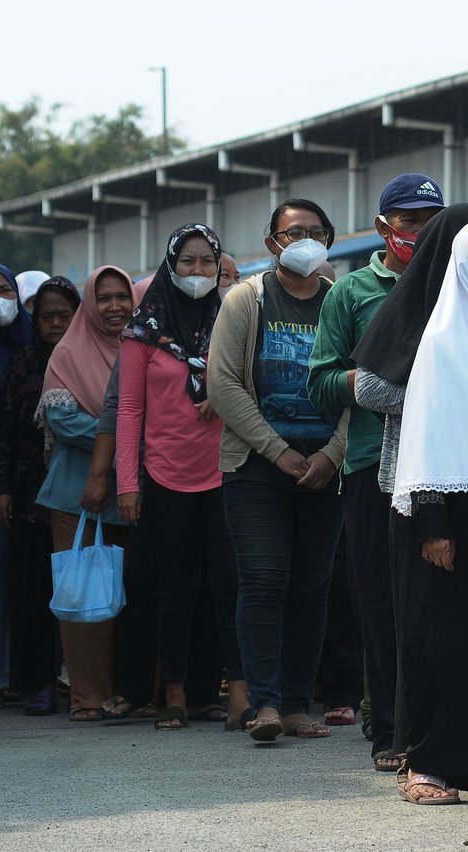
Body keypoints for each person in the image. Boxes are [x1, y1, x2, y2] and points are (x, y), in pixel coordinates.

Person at [307, 173, 444, 769]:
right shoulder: (354, 291)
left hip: (444, 466)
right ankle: (389, 728)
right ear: (385, 227)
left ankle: (436, 726)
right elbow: (319, 381)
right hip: (372, 468)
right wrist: (387, 388)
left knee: (436, 609)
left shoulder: (454, 285)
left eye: (433, 221)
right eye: (411, 221)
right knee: (382, 604)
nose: (423, 232)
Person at [208, 198, 347, 742]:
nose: (305, 240)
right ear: (272, 244)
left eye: (316, 231)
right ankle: (263, 703)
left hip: (325, 467)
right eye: (294, 233)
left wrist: (330, 456)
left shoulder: (341, 301)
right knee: (264, 579)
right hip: (257, 468)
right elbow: (224, 385)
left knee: (313, 587)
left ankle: (294, 704)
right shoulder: (246, 299)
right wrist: (279, 451)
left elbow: (359, 385)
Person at [352, 204, 468, 804]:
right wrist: (432, 518)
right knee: (429, 635)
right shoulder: (435, 328)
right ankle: (424, 759)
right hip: (428, 494)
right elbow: (371, 385)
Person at [116, 223, 250, 731]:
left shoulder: (234, 320)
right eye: (188, 261)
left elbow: (250, 384)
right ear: (171, 265)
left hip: (226, 471)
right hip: (164, 473)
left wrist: (225, 392)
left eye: (206, 262)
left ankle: (236, 691)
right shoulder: (142, 330)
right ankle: (173, 692)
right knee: (174, 587)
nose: (198, 272)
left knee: (228, 584)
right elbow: (129, 410)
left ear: (219, 267)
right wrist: (128, 482)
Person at [35, 265, 135, 721]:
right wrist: (124, 434)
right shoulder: (68, 353)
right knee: (82, 595)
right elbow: (62, 420)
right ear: (90, 306)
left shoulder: (142, 348)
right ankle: (86, 697)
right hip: (77, 493)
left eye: (122, 297)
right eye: (104, 298)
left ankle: (128, 692)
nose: (114, 307)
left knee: (129, 595)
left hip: (132, 490)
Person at [0, 277, 81, 714]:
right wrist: (2, 490)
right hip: (31, 499)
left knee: (85, 588)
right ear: (34, 319)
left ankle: (85, 680)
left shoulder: (90, 358)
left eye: (65, 315)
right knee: (37, 593)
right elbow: (2, 431)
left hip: (86, 496)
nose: (57, 323)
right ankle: (40, 682)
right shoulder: (23, 365)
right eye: (47, 317)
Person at [0, 264, 31, 710]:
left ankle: (5, 675)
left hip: (17, 482)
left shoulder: (26, 347)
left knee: (5, 580)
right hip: (0, 480)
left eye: (5, 290)